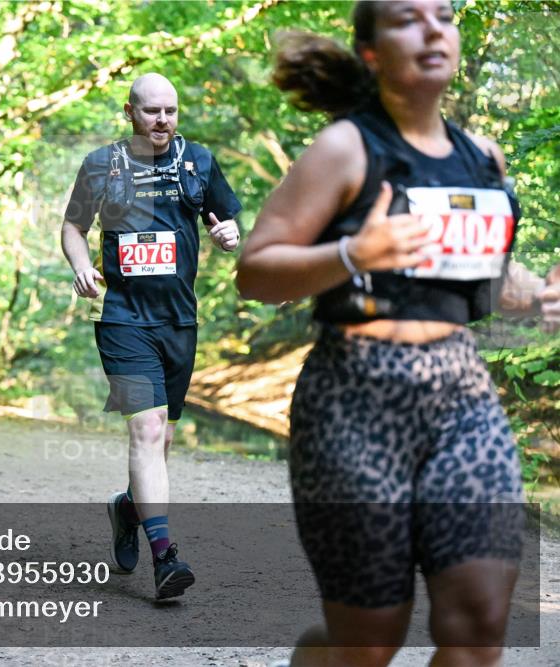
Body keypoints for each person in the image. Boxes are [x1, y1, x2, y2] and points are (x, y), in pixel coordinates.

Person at [236, 1, 559, 665]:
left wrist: (540, 298)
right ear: (372, 52)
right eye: (408, 17)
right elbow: (256, 272)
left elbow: (483, 280)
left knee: (478, 627)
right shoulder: (346, 148)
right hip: (352, 401)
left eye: (444, 14)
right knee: (367, 644)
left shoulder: (483, 159)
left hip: (462, 399)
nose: (434, 28)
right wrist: (353, 252)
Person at [61, 73, 242, 600]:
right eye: (151, 111)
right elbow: (73, 227)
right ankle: (165, 557)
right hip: (122, 318)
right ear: (129, 112)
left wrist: (228, 235)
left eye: (170, 110)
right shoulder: (101, 164)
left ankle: (127, 508)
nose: (162, 120)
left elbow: (226, 223)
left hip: (178, 321)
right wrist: (81, 266)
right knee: (146, 429)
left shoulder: (198, 161)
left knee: (161, 441)